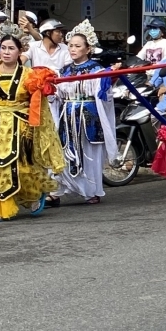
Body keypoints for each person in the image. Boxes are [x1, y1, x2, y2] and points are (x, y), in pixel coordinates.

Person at [0, 32, 65, 222]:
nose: (6, 52)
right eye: (3, 48)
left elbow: (39, 106)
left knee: (23, 167)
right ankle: (0, 207)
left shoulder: (29, 75)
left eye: (11, 48)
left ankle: (33, 194)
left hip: (21, 127)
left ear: (20, 51)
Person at [47, 20, 118, 206]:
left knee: (89, 154)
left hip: (88, 118)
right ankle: (56, 191)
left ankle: (91, 191)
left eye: (78, 46)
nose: (72, 49)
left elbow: (104, 94)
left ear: (88, 49)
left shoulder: (96, 70)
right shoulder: (64, 70)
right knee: (63, 152)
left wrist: (107, 80)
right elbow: (58, 95)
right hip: (67, 117)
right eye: (70, 45)